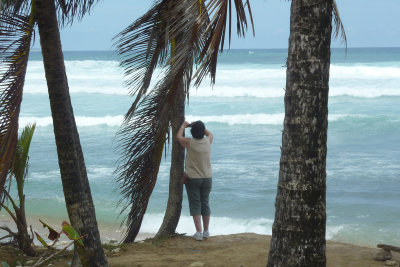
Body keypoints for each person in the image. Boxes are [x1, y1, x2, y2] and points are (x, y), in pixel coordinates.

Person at [177, 120, 213, 241]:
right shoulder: (208, 141)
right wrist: (201, 127)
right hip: (207, 178)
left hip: (193, 178)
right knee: (205, 203)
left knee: (195, 204)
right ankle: (206, 231)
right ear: (202, 131)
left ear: (192, 132)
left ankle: (198, 232)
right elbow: (210, 133)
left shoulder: (190, 142)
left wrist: (183, 126)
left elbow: (178, 137)